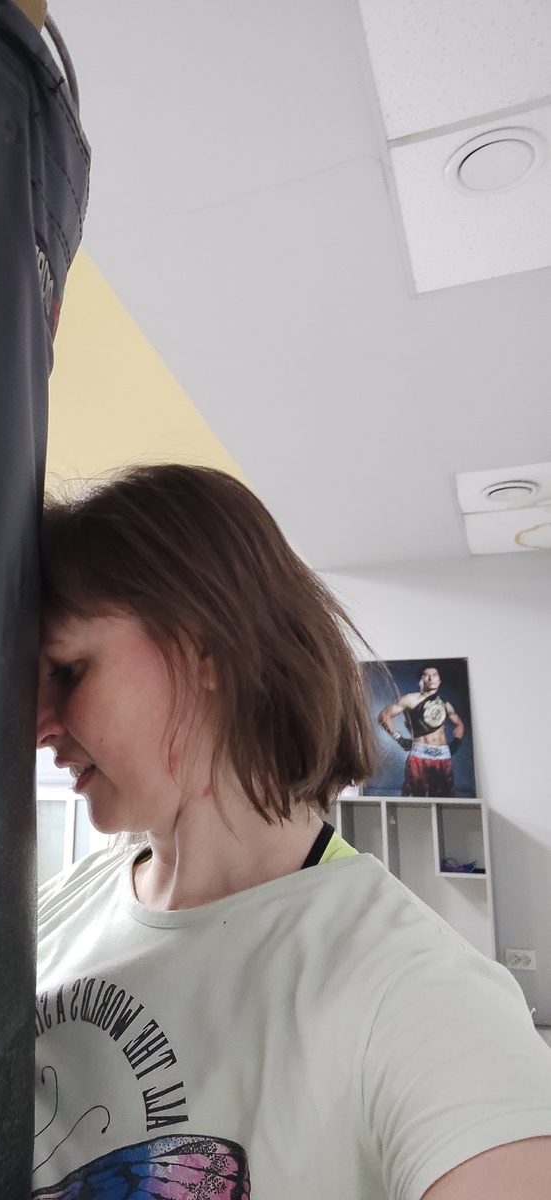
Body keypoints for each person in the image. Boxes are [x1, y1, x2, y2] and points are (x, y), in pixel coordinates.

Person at [33, 464, 551, 1200]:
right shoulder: (54, 907)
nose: (39, 726)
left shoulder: (417, 995)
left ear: (205, 650)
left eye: (68, 670)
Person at [377, 666, 465, 798]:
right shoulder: (410, 699)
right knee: (415, 797)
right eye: (426, 675)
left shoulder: (444, 705)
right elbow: (383, 716)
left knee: (445, 800)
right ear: (421, 680)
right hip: (420, 755)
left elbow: (459, 724)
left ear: (439, 680)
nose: (431, 678)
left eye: (434, 675)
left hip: (443, 757)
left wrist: (456, 743)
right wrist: (399, 738)